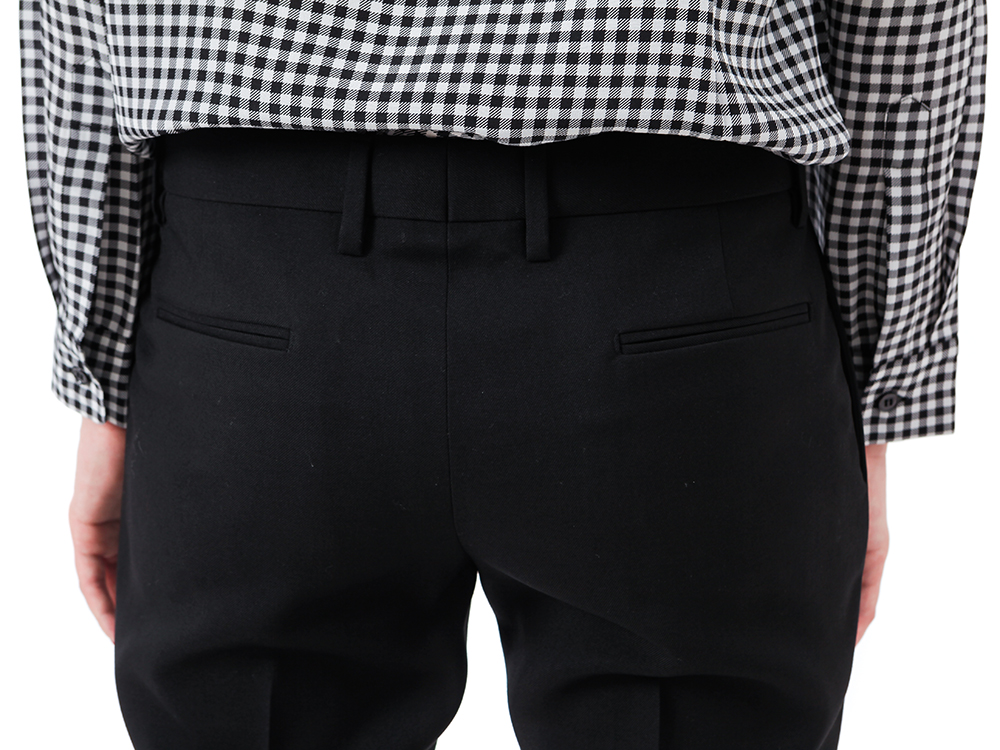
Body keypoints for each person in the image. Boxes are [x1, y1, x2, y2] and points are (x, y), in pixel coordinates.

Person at [19, 0, 985, 748]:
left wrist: (104, 377)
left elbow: (76, 32)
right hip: (676, 296)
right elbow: (904, 32)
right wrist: (874, 387)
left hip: (258, 310)